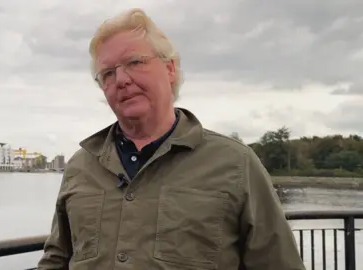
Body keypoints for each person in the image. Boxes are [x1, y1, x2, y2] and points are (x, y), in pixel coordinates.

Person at [37, 8, 306, 270]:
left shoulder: (236, 164)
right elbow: (57, 259)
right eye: (107, 73)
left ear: (170, 69)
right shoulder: (81, 167)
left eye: (134, 62)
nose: (121, 79)